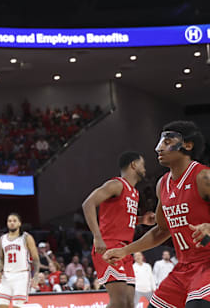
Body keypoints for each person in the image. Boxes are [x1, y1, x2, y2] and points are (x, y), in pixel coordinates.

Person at [104, 121, 210, 308]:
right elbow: (161, 231)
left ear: (187, 145)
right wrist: (125, 250)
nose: (158, 148)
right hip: (183, 268)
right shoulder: (163, 184)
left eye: (167, 142)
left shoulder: (203, 177)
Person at [82, 151, 145, 308]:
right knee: (119, 302)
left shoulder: (135, 193)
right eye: (143, 165)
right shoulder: (116, 184)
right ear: (134, 165)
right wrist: (97, 237)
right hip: (109, 246)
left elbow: (121, 219)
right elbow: (88, 204)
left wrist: (141, 220)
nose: (145, 169)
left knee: (130, 303)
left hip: (125, 250)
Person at [0, 213, 40, 308]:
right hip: (6, 276)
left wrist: (36, 275)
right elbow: (1, 258)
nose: (12, 223)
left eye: (14, 221)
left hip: (21, 275)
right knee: (1, 305)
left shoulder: (26, 237)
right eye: (9, 221)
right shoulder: (2, 239)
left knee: (17, 306)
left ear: (19, 223)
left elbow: (35, 258)